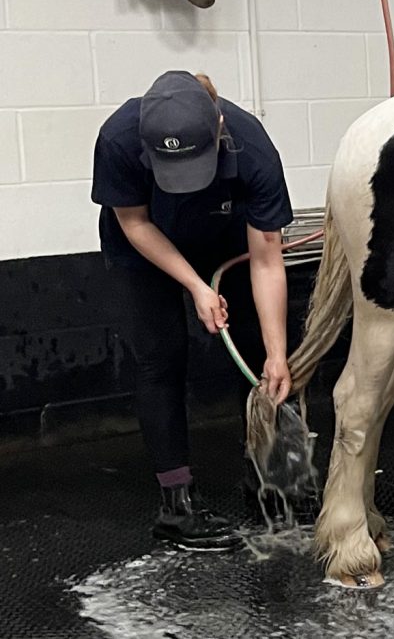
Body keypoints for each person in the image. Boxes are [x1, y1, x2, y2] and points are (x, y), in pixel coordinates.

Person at [91, 71, 294, 550]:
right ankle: (176, 507)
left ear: (220, 125)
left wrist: (279, 353)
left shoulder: (252, 147)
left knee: (256, 350)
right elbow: (134, 224)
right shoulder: (118, 139)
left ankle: (267, 477)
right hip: (145, 249)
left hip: (227, 241)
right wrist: (196, 287)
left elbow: (267, 259)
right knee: (160, 359)